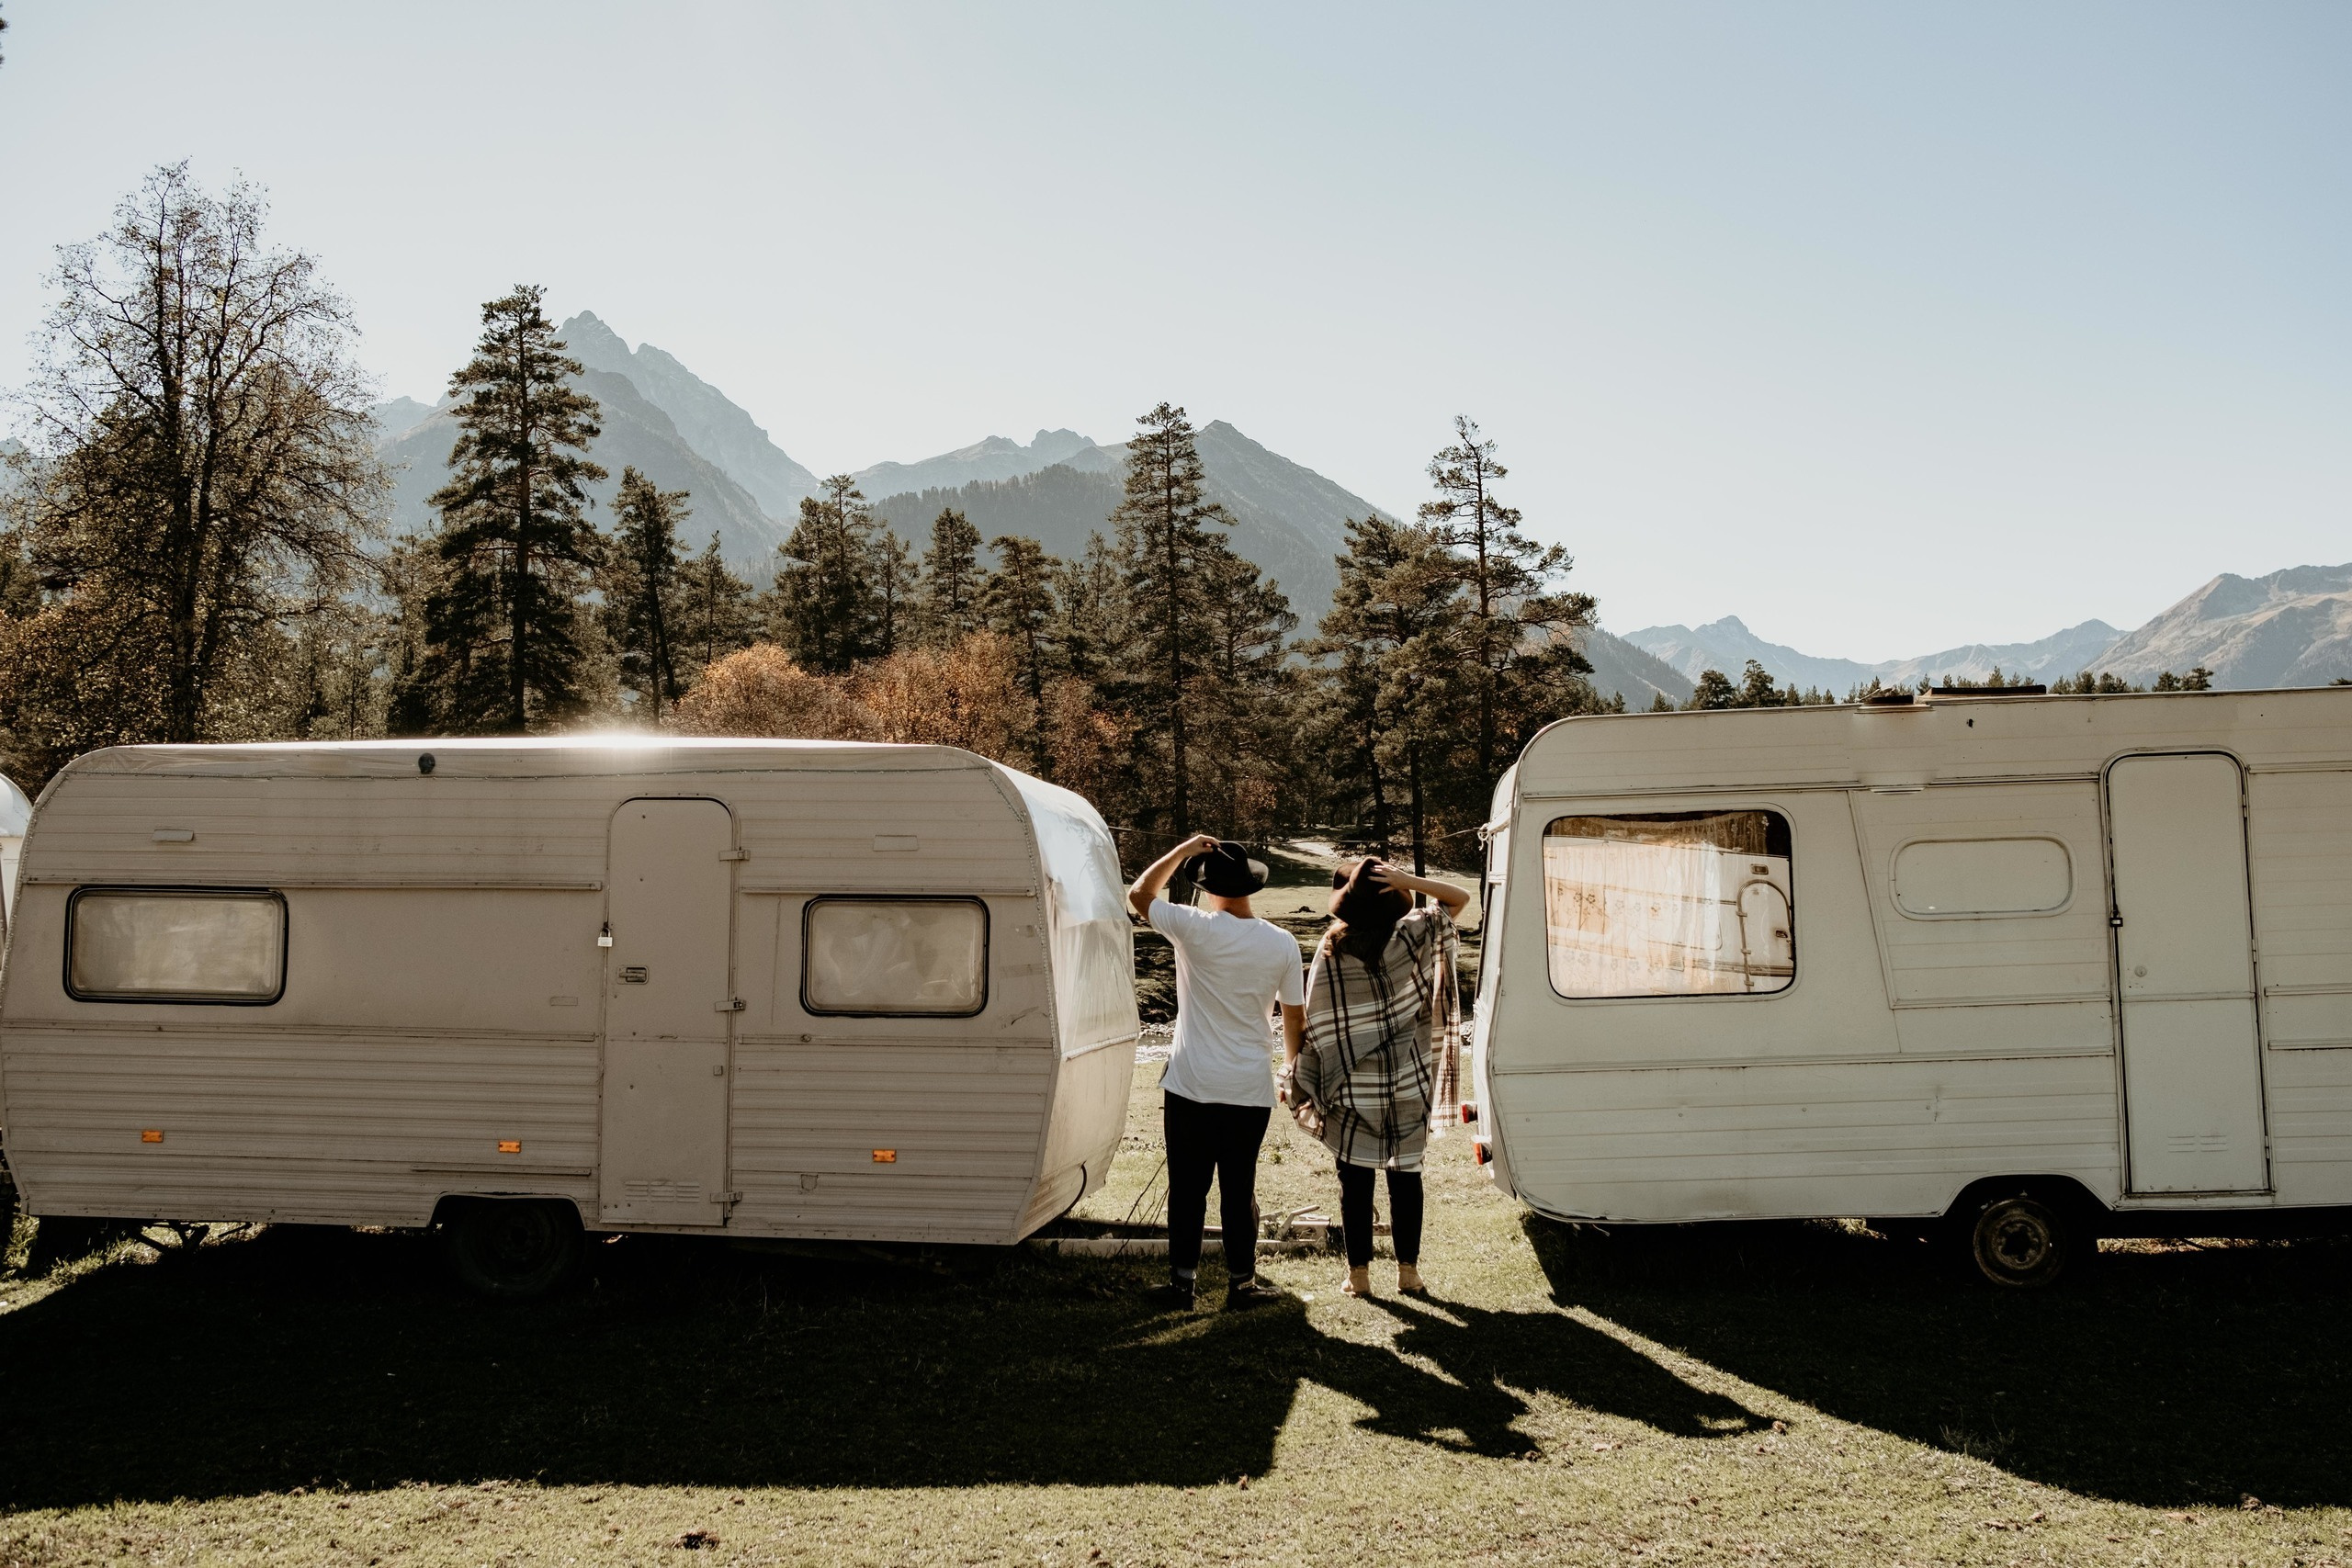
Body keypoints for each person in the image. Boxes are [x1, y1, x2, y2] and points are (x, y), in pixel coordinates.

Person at [1129, 832, 1306, 1310]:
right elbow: (1293, 1017)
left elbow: (1138, 895)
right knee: (1239, 1188)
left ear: (1210, 889)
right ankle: (1242, 1286)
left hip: (1191, 1084)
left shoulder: (1194, 928)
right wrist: (1291, 1069)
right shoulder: (1282, 943)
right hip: (1249, 1087)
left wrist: (1183, 851)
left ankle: (1182, 1285)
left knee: (1188, 1189)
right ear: (1249, 888)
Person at [1286, 857, 1470, 1299]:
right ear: (1393, 901)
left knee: (1355, 1180)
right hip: (1408, 1078)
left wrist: (1301, 1075)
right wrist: (1409, 880)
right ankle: (1409, 1274)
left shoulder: (1331, 949)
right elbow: (1461, 899)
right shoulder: (1414, 936)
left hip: (1351, 1085)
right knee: (1407, 1176)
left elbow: (1320, 1023)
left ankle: (1360, 1275)